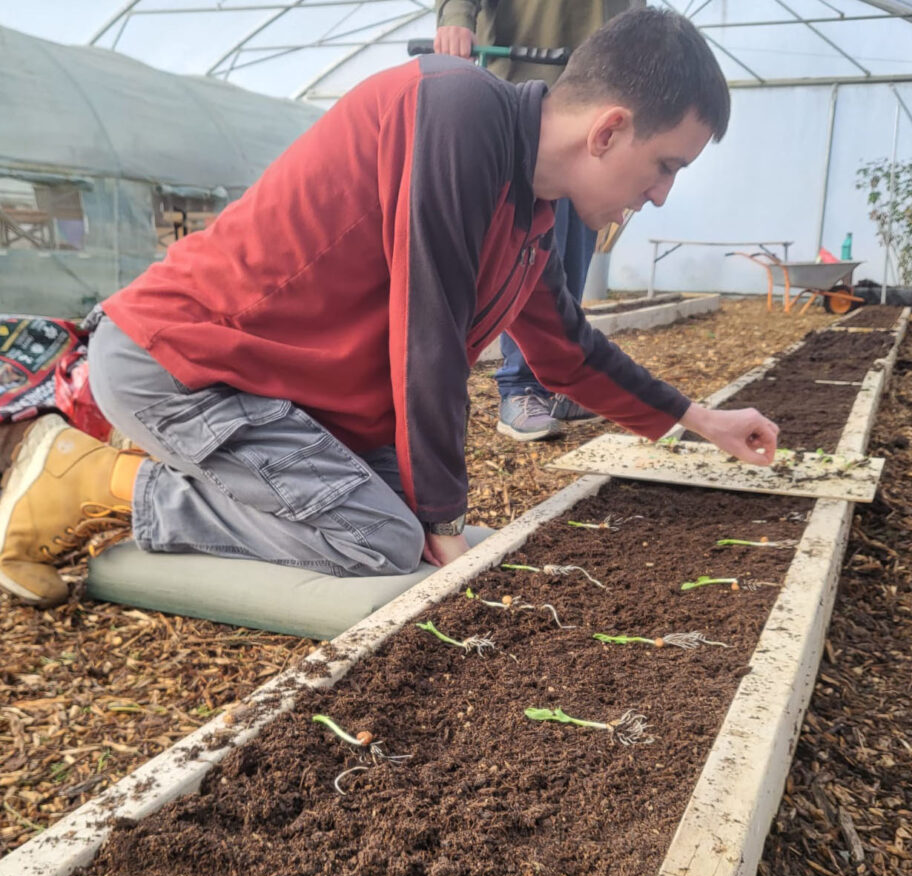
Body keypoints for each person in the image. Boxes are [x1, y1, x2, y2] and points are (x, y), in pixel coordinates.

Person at [0, 8, 778, 610]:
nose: (661, 193)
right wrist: (441, 522)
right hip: (184, 364)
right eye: (665, 165)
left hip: (272, 394)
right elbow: (427, 331)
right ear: (609, 130)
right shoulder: (456, 109)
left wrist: (699, 421)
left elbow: (567, 350)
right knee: (379, 542)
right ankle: (94, 482)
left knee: (398, 531)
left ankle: (171, 476)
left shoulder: (531, 209)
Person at [434, 0, 640, 442]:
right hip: (525, 85)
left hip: (599, 97)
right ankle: (520, 387)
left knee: (571, 259)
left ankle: (556, 382)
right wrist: (456, 20)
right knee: (531, 253)